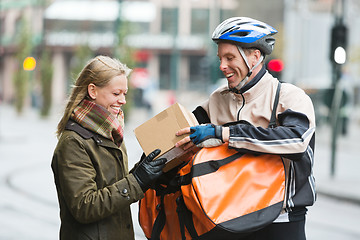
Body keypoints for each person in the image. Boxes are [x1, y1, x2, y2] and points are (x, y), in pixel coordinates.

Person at [176, 17, 316, 240]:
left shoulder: (288, 96)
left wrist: (223, 133)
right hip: (230, 216)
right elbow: (180, 130)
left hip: (282, 217)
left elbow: (296, 142)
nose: (222, 66)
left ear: (255, 56)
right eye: (220, 58)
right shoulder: (217, 99)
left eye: (230, 57)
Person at [51, 55, 166, 240]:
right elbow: (84, 206)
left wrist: (143, 170)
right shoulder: (74, 141)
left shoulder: (111, 131)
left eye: (124, 94)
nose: (123, 101)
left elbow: (113, 185)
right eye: (116, 93)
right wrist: (137, 180)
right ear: (93, 91)